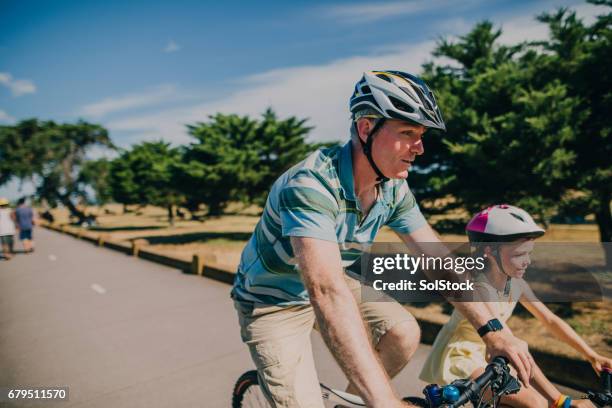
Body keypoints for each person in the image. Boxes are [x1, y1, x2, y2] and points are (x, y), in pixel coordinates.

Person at [231, 71, 536, 408]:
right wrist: (384, 400)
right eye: (408, 133)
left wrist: (493, 329)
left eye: (422, 135)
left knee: (403, 334)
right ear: (366, 128)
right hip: (273, 303)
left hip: (332, 283)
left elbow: (437, 260)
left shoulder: (392, 187)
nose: (419, 148)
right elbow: (326, 291)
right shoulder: (310, 186)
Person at [420, 204, 611, 408]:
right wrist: (560, 401)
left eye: (529, 253)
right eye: (519, 255)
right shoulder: (481, 288)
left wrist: (591, 355)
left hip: (491, 356)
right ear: (489, 252)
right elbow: (510, 345)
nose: (527, 261)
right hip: (461, 356)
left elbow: (550, 320)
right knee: (534, 403)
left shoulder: (516, 283)